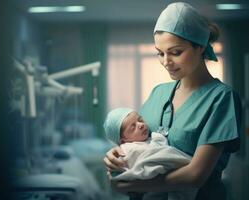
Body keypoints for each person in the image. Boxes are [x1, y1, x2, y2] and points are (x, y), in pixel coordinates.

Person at [103, 2, 242, 200]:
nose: (166, 62)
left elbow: (196, 175)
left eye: (175, 52)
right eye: (160, 53)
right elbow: (140, 143)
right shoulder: (158, 93)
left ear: (200, 47)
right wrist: (117, 154)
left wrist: (133, 183)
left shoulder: (221, 98)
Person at [103, 107, 197, 200]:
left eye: (140, 120)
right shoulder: (129, 149)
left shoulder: (150, 140)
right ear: (123, 141)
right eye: (133, 127)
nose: (140, 125)